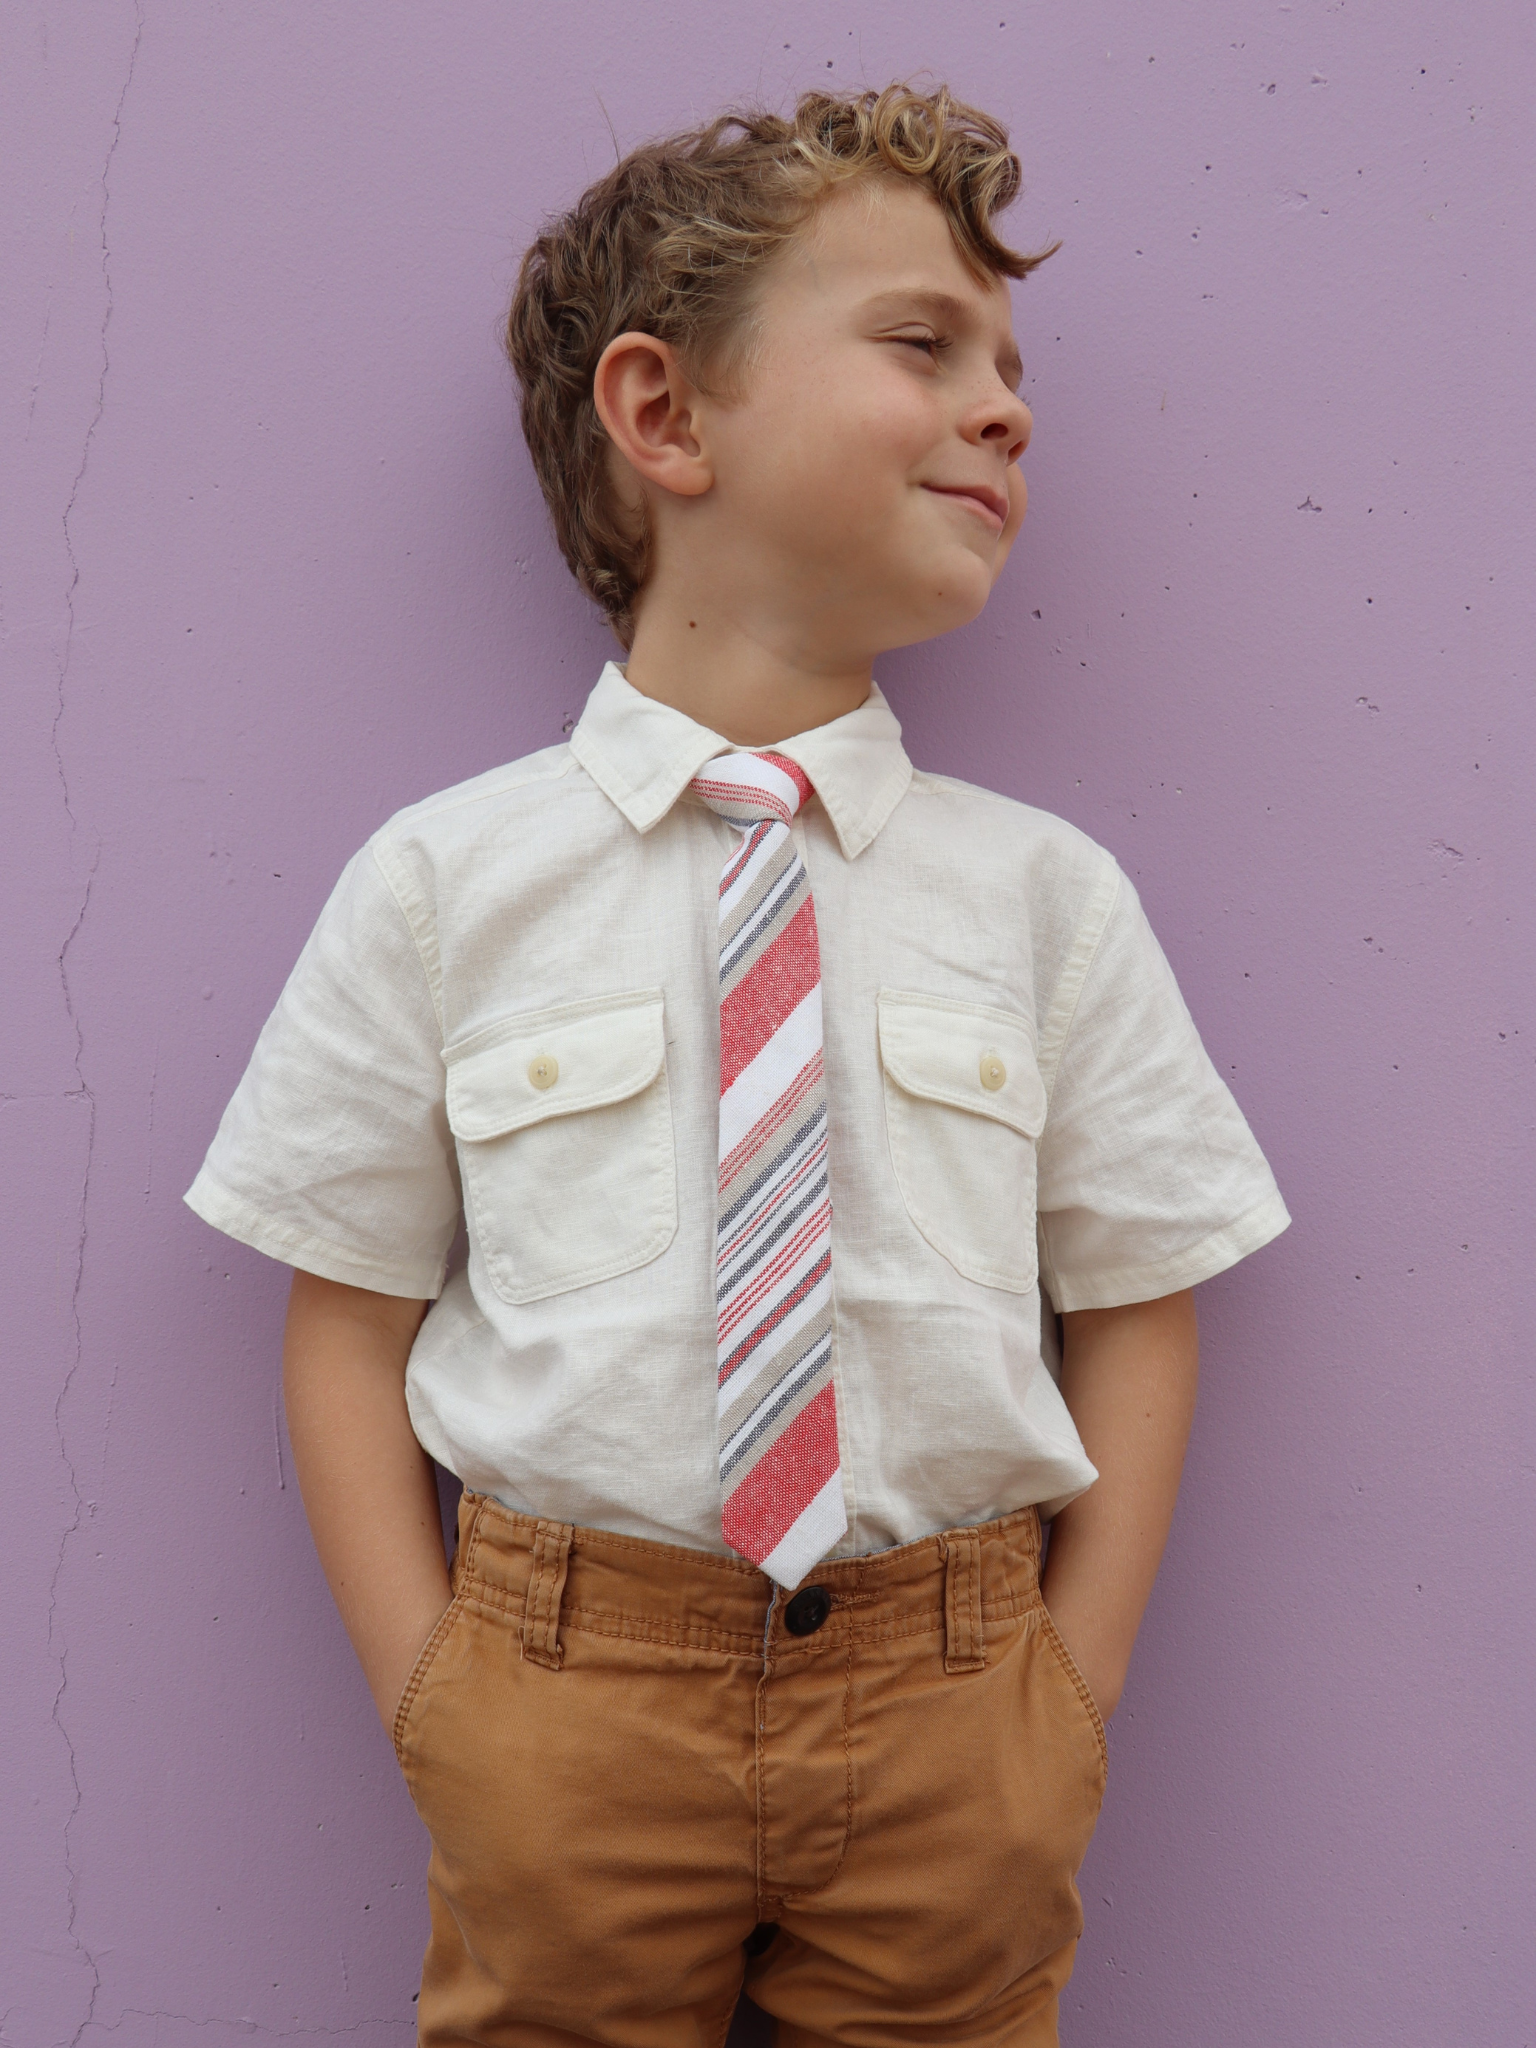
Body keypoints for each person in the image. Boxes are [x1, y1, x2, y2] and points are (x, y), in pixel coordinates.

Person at [186, 82, 1289, 2046]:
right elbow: (339, 1310)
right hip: (568, 1693)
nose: (1009, 405)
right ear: (667, 416)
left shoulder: (1044, 899)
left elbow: (1140, 1293)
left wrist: (1068, 1688)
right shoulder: (449, 883)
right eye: (923, 343)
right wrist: (441, 1704)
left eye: (1014, 363)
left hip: (961, 1695)